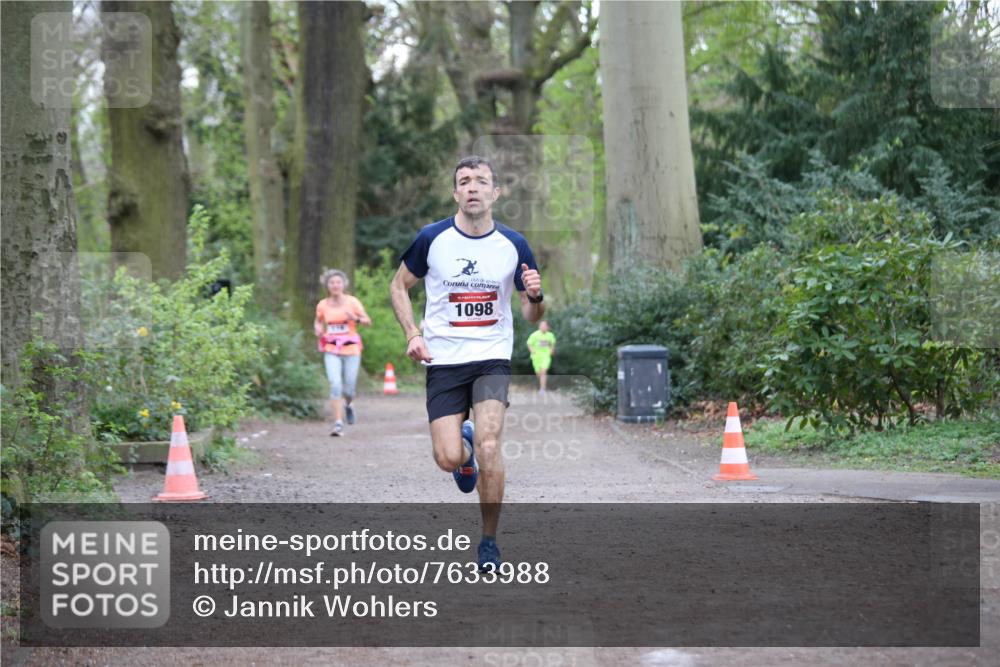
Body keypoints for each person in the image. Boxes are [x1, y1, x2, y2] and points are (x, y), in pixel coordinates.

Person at [390, 155, 544, 572]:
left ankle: (489, 542)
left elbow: (534, 317)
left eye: (481, 181)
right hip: (443, 360)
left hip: (491, 359)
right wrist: (412, 334)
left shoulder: (514, 245)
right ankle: (465, 448)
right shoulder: (432, 238)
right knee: (447, 457)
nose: (472, 187)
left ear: (495, 193)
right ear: (455, 193)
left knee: (492, 444)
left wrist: (534, 295)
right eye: (464, 181)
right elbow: (398, 286)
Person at [314, 269, 371, 437]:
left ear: (343, 284)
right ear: (327, 285)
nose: (335, 285)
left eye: (338, 282)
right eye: (332, 283)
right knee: (335, 384)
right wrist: (317, 328)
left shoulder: (352, 302)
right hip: (331, 349)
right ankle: (338, 423)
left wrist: (355, 318)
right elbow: (317, 322)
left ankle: (349, 404)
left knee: (349, 387)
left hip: (351, 349)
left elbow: (368, 321)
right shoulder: (322, 304)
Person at [526, 320, 556, 394]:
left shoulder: (550, 335)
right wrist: (532, 350)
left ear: (548, 327)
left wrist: (551, 351)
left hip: (546, 356)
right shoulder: (534, 335)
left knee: (543, 371)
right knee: (538, 373)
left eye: (544, 325)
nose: (543, 327)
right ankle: (542, 385)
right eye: (541, 325)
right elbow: (529, 344)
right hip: (536, 356)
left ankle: (543, 389)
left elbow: (552, 344)